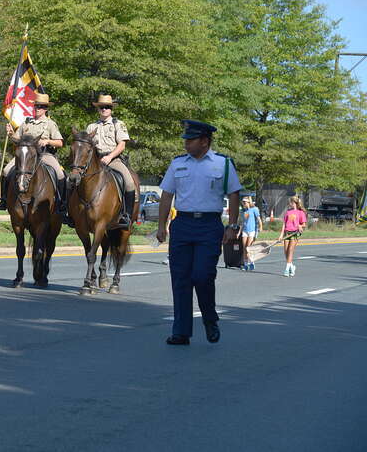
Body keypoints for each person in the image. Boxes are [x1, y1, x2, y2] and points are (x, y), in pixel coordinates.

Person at [157, 119, 241, 345]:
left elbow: (234, 194)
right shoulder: (177, 164)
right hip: (182, 224)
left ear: (205, 141)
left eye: (191, 140)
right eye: (186, 139)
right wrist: (161, 225)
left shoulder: (223, 164)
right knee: (180, 279)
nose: (186, 144)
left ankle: (209, 319)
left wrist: (232, 226)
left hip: (209, 225)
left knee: (203, 276)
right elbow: (167, 195)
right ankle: (181, 332)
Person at [0, 92, 67, 215]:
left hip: (45, 155)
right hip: (26, 156)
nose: (38, 109)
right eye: (37, 106)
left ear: (46, 109)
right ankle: (4, 200)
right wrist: (11, 134)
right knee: (6, 171)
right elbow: (16, 140)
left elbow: (60, 143)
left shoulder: (50, 124)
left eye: (42, 106)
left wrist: (48, 141)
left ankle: (61, 203)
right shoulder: (26, 122)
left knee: (60, 174)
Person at [84, 94, 138, 228]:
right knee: (73, 180)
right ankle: (72, 213)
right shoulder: (91, 127)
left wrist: (109, 157)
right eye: (102, 107)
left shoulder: (118, 124)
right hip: (95, 161)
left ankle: (127, 216)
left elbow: (122, 145)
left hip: (113, 160)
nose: (104, 109)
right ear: (98, 109)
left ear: (111, 109)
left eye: (107, 107)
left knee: (130, 183)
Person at [279, 195, 307, 277]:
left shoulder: (300, 212)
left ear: (294, 203)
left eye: (290, 202)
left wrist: (300, 226)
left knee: (290, 250)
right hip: (287, 232)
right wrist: (281, 235)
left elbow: (304, 224)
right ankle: (292, 266)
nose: (289, 204)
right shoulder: (288, 212)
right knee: (286, 251)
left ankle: (287, 269)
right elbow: (284, 224)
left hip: (295, 233)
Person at [240, 197, 262, 271]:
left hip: (252, 231)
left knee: (248, 248)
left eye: (244, 202)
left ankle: (251, 262)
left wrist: (260, 227)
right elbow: (243, 222)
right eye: (243, 202)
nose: (243, 203)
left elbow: (259, 219)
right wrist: (239, 232)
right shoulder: (244, 211)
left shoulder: (254, 209)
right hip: (245, 231)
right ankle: (245, 264)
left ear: (249, 202)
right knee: (244, 247)